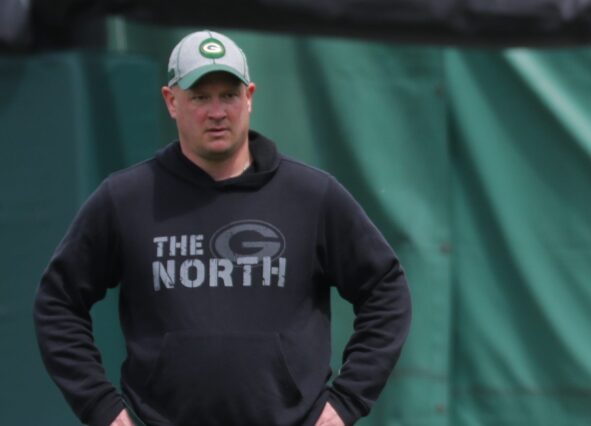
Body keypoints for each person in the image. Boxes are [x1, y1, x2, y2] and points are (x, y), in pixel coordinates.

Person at [34, 30, 412, 426]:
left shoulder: (311, 196)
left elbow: (386, 289)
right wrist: (103, 409)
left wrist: (346, 404)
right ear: (171, 101)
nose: (217, 112)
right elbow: (57, 303)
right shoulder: (126, 198)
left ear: (249, 96)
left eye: (229, 95)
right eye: (200, 96)